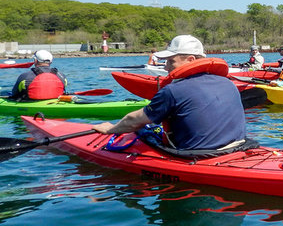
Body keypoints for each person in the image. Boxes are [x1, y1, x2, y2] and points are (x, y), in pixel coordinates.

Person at [92, 35, 246, 150]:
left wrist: (110, 129)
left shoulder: (173, 91)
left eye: (171, 61)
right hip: (237, 148)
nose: (166, 68)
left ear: (191, 60)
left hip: (197, 156)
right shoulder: (228, 83)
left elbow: (134, 121)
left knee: (143, 131)